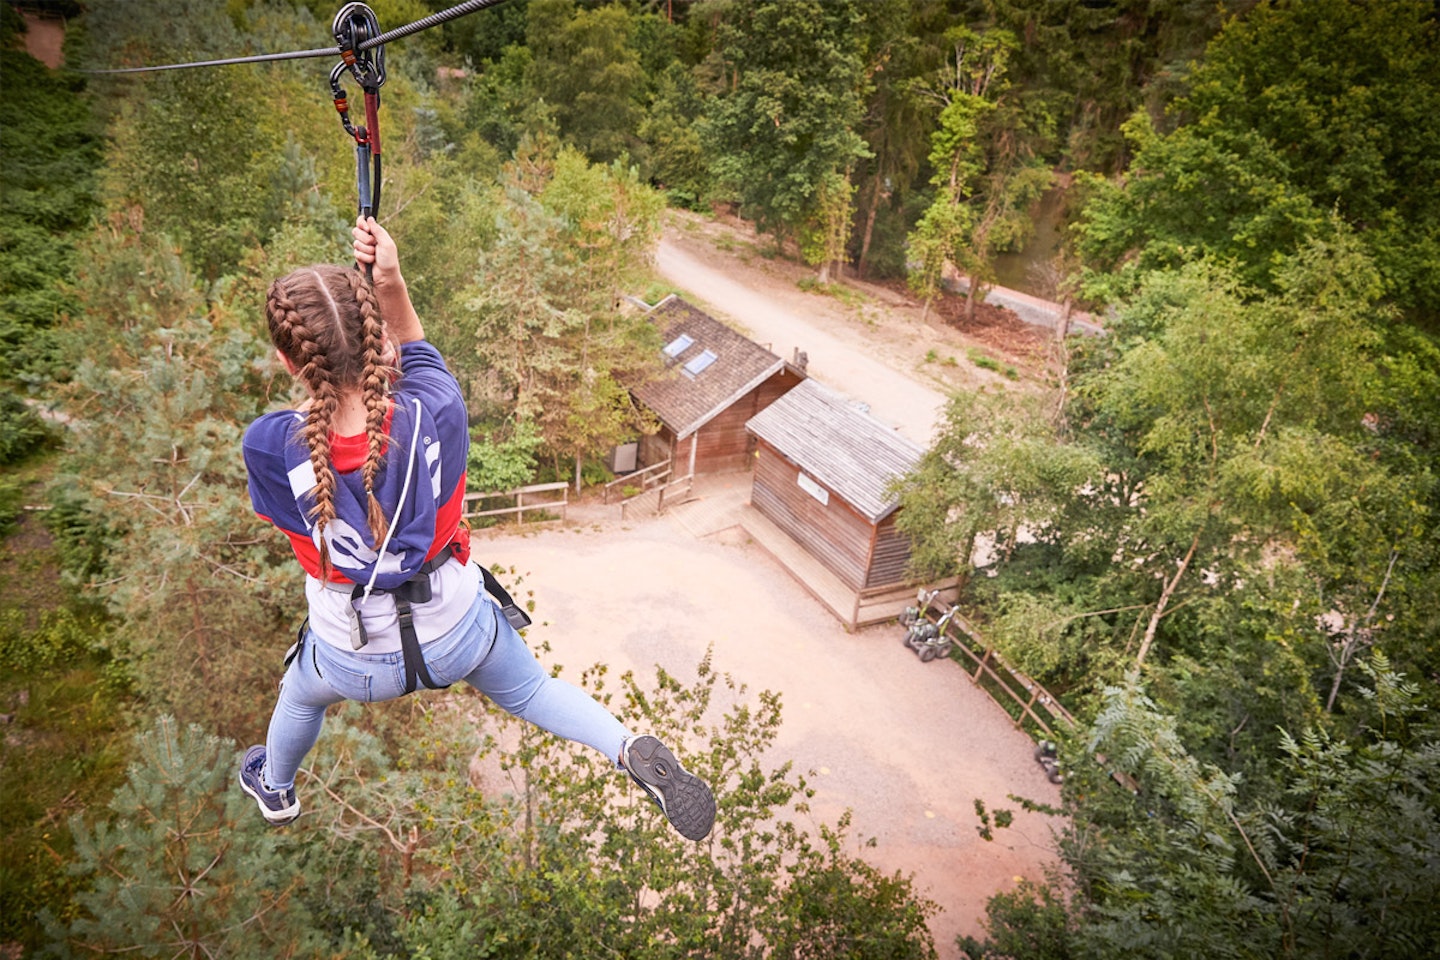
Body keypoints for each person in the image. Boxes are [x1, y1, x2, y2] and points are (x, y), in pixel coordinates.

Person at [237, 217, 715, 842]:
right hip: (456, 630)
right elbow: (414, 347)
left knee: (299, 696)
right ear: (373, 337)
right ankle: (625, 749)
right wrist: (391, 280)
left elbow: (298, 511)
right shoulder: (436, 407)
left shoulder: (270, 446)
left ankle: (275, 787)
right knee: (534, 691)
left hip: (351, 656)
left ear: (286, 360)